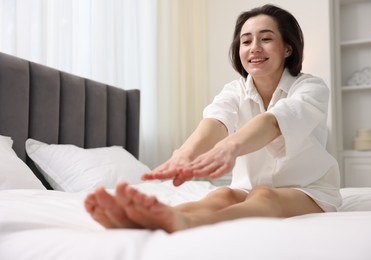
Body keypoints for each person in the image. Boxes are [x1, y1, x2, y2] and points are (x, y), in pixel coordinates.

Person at [84, 4, 342, 233]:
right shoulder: (234, 91)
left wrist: (228, 148)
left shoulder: (311, 87)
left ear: (287, 48)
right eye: (246, 41)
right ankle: (147, 218)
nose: (254, 48)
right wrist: (184, 155)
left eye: (265, 39)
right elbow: (216, 122)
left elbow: (273, 122)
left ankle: (190, 225)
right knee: (221, 194)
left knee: (265, 195)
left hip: (310, 190)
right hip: (247, 188)